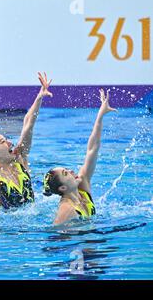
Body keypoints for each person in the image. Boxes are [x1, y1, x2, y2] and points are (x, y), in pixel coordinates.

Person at [43, 89, 117, 225]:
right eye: (66, 173)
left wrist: (100, 115)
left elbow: (92, 148)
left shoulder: (83, 184)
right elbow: (57, 240)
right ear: (63, 188)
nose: (71, 171)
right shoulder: (66, 211)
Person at [0, 72, 52, 210]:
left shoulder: (20, 158)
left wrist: (39, 97)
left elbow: (28, 123)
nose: (10, 143)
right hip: (13, 227)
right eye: (3, 142)